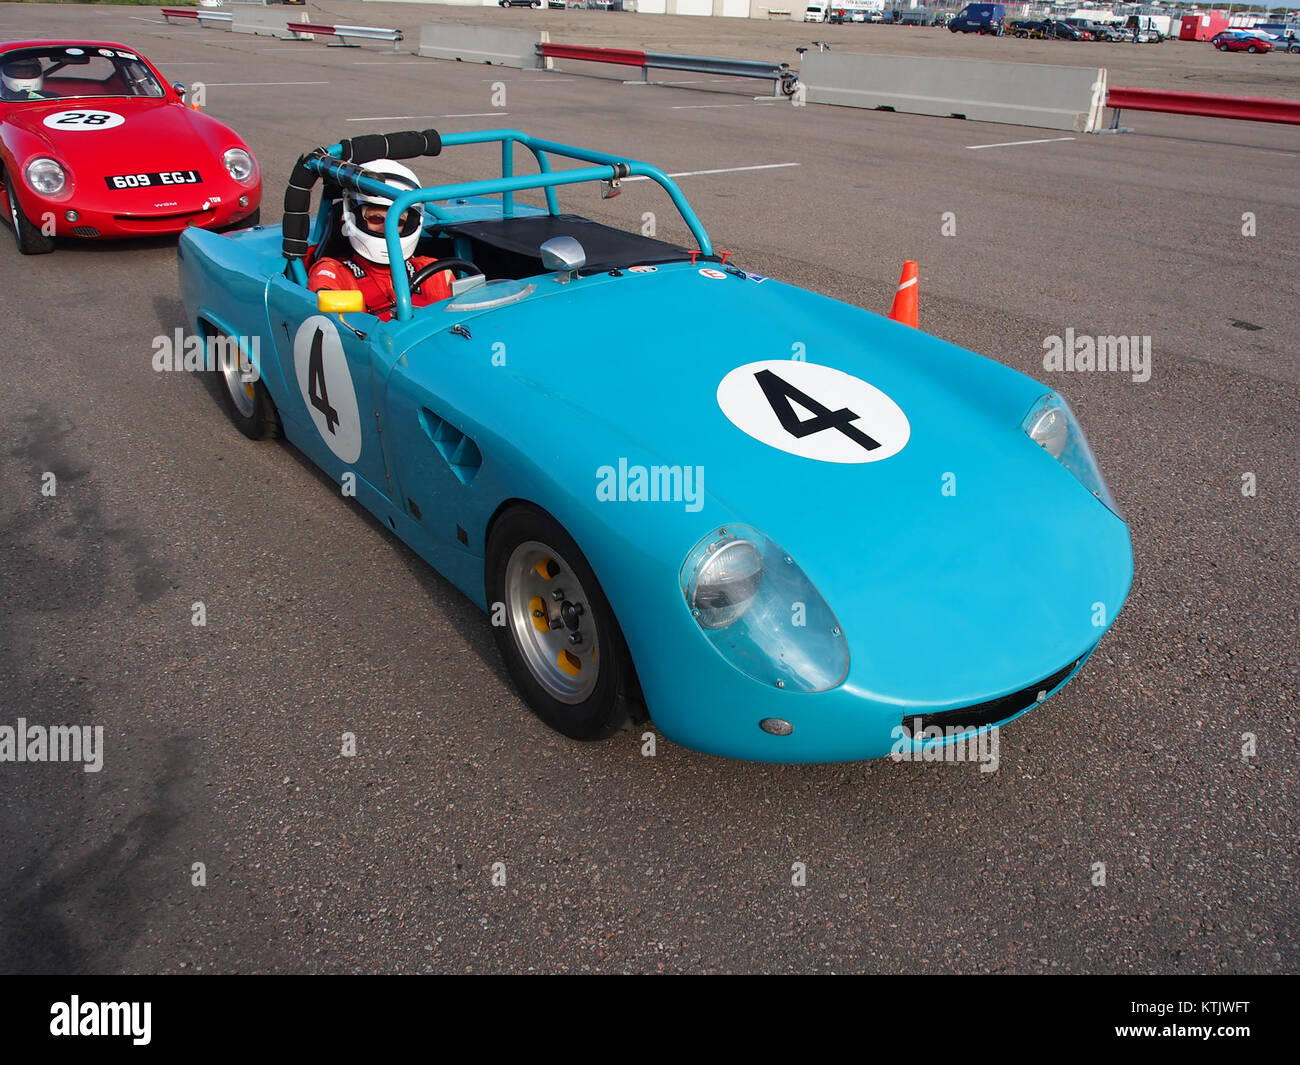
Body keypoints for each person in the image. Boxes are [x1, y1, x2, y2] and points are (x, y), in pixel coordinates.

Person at [308, 159, 453, 318]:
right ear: (354, 217)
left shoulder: (435, 272)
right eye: (376, 218)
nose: (387, 229)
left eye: (398, 221)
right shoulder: (332, 272)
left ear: (411, 223)